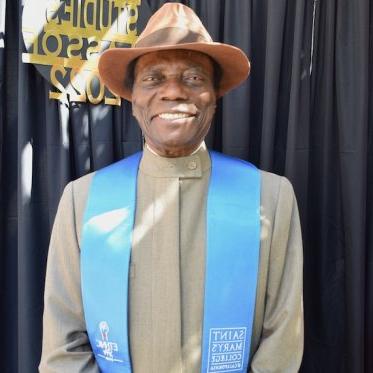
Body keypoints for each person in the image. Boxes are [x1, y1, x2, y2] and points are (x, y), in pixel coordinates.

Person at [39, 3, 303, 373]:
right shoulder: (83, 201)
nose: (174, 92)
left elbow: (282, 338)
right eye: (154, 78)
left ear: (215, 97)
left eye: (194, 78)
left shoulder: (270, 197)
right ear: (133, 100)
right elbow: (63, 345)